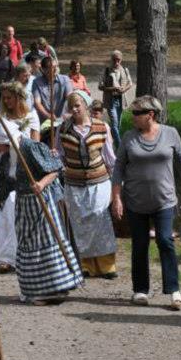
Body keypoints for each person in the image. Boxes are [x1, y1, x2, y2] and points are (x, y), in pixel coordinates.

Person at [111, 95, 181, 309]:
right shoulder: (128, 137)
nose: (133, 117)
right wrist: (116, 197)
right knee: (140, 244)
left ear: (150, 115)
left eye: (137, 113)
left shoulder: (170, 134)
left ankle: (174, 290)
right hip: (135, 200)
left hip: (165, 200)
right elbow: (118, 169)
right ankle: (140, 290)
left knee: (165, 240)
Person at [0, 134, 83, 304]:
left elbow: (56, 169)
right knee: (28, 246)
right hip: (24, 206)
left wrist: (41, 184)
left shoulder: (30, 148)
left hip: (42, 204)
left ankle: (53, 290)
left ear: (6, 142)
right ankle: (37, 291)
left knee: (46, 245)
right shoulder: (8, 157)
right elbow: (10, 183)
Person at [58, 91, 117, 278]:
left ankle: (107, 265)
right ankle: (86, 264)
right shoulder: (63, 129)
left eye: (78, 105)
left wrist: (116, 181)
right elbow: (59, 155)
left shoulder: (102, 127)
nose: (74, 109)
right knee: (80, 222)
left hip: (99, 180)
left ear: (86, 105)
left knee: (100, 218)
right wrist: (59, 166)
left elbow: (109, 156)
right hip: (74, 181)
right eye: (71, 106)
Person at [0, 82, 40, 272]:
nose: (6, 102)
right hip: (3, 167)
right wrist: (6, 143)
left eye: (9, 98)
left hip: (23, 167)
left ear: (19, 97)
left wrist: (18, 145)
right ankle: (1, 255)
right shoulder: (1, 117)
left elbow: (36, 144)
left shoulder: (32, 117)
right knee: (2, 210)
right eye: (4, 98)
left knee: (16, 210)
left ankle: (15, 255)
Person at [98, 50, 132, 149]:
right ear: (111, 59)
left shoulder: (125, 70)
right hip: (110, 100)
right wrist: (112, 89)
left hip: (120, 100)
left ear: (121, 59)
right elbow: (100, 86)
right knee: (114, 123)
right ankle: (121, 147)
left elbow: (130, 83)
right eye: (114, 60)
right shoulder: (107, 70)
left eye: (118, 60)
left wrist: (123, 90)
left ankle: (111, 144)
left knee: (118, 125)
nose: (116, 62)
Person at [32, 55, 72, 124]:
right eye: (53, 67)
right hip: (44, 121)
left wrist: (70, 112)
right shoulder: (36, 82)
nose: (56, 69)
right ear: (44, 70)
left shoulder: (65, 79)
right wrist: (48, 115)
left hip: (62, 119)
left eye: (56, 66)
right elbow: (37, 103)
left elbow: (70, 97)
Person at [0, 42, 15, 110]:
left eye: (6, 48)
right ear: (0, 50)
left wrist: (11, 84)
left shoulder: (10, 61)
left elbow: (13, 74)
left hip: (7, 85)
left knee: (6, 102)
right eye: (3, 48)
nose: (4, 50)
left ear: (8, 50)